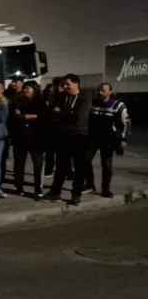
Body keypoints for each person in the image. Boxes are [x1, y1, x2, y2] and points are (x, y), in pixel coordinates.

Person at [45, 74, 93, 205]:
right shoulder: (61, 97)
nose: (65, 86)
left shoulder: (84, 99)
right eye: (64, 84)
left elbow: (78, 117)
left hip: (79, 136)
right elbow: (52, 114)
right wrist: (64, 114)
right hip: (63, 137)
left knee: (79, 168)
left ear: (76, 84)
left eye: (67, 84)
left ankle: (75, 195)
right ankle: (55, 193)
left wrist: (61, 114)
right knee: (61, 167)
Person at [88, 82, 130, 198]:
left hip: (108, 140)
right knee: (85, 161)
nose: (99, 92)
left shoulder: (118, 105)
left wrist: (123, 139)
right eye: (98, 90)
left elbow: (126, 123)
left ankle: (105, 190)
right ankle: (90, 185)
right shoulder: (94, 103)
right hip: (93, 138)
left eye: (102, 90)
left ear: (110, 92)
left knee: (106, 165)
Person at [10, 81, 43, 197]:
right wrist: (31, 116)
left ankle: (38, 189)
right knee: (19, 164)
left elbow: (44, 116)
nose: (25, 90)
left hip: (36, 138)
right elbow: (15, 116)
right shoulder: (18, 101)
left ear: (34, 89)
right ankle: (19, 187)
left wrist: (24, 116)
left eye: (28, 88)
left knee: (38, 165)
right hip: (20, 137)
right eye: (25, 88)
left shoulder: (40, 101)